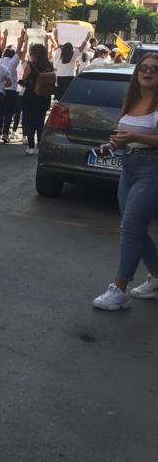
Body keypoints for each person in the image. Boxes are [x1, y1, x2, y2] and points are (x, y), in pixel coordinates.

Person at [92, 56, 158, 311]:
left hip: (152, 169)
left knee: (131, 227)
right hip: (128, 166)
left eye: (154, 69)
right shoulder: (131, 100)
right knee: (134, 228)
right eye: (144, 68)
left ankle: (119, 289)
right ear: (137, 73)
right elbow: (124, 136)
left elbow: (140, 137)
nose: (148, 72)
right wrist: (112, 144)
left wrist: (134, 136)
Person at [19, 44, 55, 155]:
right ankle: (39, 145)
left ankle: (31, 147)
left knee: (30, 122)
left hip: (31, 97)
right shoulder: (49, 65)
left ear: (34, 54)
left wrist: (22, 82)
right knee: (40, 123)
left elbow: (23, 81)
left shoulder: (30, 66)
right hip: (44, 97)